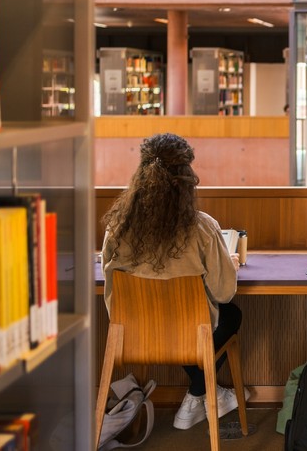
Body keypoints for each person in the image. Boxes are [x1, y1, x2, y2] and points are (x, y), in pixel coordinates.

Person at [101, 133, 245, 431]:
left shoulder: (118, 226)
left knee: (181, 316)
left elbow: (110, 286)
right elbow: (224, 292)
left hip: (132, 333)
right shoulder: (202, 227)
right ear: (186, 178)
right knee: (227, 315)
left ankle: (201, 392)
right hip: (188, 334)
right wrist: (228, 265)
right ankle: (199, 393)